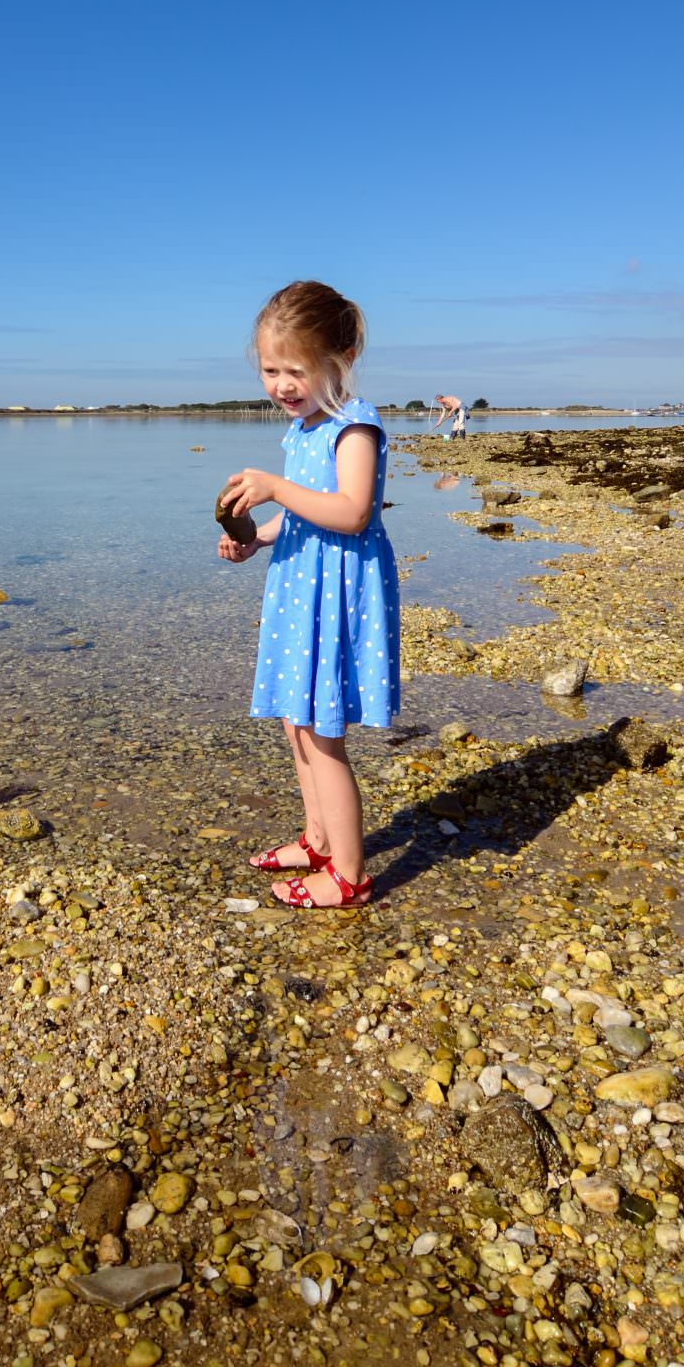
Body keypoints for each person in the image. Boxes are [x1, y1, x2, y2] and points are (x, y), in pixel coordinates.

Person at [217, 280, 400, 909]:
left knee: (324, 734)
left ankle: (348, 875)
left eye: (297, 369)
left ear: (339, 360)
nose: (282, 385)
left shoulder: (356, 427)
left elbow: (351, 512)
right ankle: (318, 840)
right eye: (271, 369)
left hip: (339, 594)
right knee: (297, 724)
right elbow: (307, 514)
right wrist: (259, 538)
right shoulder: (304, 428)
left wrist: (273, 487)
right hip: (302, 583)